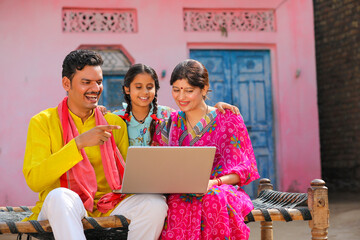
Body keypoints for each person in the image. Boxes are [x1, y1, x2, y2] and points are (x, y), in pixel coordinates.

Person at [23, 50, 167, 240]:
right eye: (86, 82)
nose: (95, 88)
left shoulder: (113, 122)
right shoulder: (43, 122)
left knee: (154, 204)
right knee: (60, 197)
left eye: (98, 82)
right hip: (64, 207)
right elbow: (35, 181)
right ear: (67, 84)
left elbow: (127, 179)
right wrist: (78, 143)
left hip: (108, 204)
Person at [154, 59, 260, 240]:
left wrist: (213, 183)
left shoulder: (229, 119)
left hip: (221, 189)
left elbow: (242, 169)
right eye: (176, 89)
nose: (181, 97)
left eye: (189, 91)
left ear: (203, 89)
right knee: (179, 204)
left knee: (213, 198)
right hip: (182, 192)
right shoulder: (170, 122)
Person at [112, 63, 240, 147]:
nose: (145, 92)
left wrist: (215, 108)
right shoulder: (115, 119)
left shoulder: (168, 115)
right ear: (127, 89)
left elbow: (196, 114)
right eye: (138, 87)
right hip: (126, 183)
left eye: (150, 87)